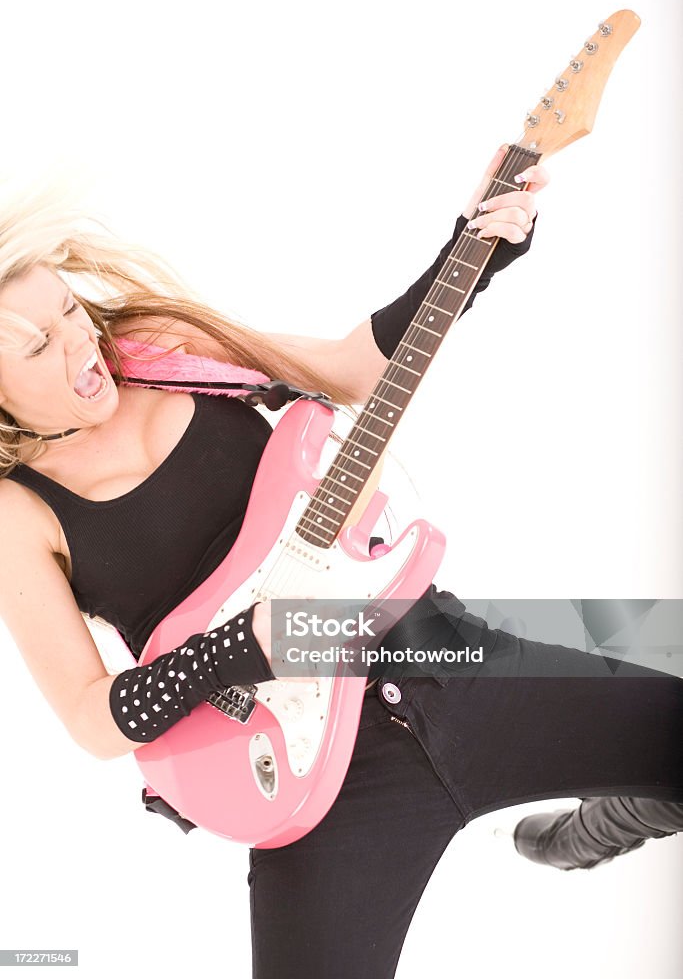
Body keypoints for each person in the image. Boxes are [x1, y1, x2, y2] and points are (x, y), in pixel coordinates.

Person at [0, 148, 680, 979]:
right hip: (312, 783)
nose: (79, 343)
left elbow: (350, 368)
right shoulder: (17, 515)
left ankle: (593, 830)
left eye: (71, 310)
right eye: (37, 346)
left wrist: (467, 256)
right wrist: (238, 648)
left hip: (437, 654)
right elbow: (85, 714)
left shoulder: (165, 350)